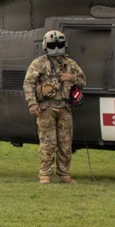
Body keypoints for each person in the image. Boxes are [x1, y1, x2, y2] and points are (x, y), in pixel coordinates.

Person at [23, 29, 87, 184]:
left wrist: (71, 77)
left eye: (59, 45)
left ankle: (64, 174)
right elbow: (28, 84)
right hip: (46, 109)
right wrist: (32, 104)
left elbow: (83, 81)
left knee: (65, 143)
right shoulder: (39, 64)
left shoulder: (70, 64)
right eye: (53, 45)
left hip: (64, 108)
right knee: (48, 142)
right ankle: (45, 174)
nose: (57, 48)